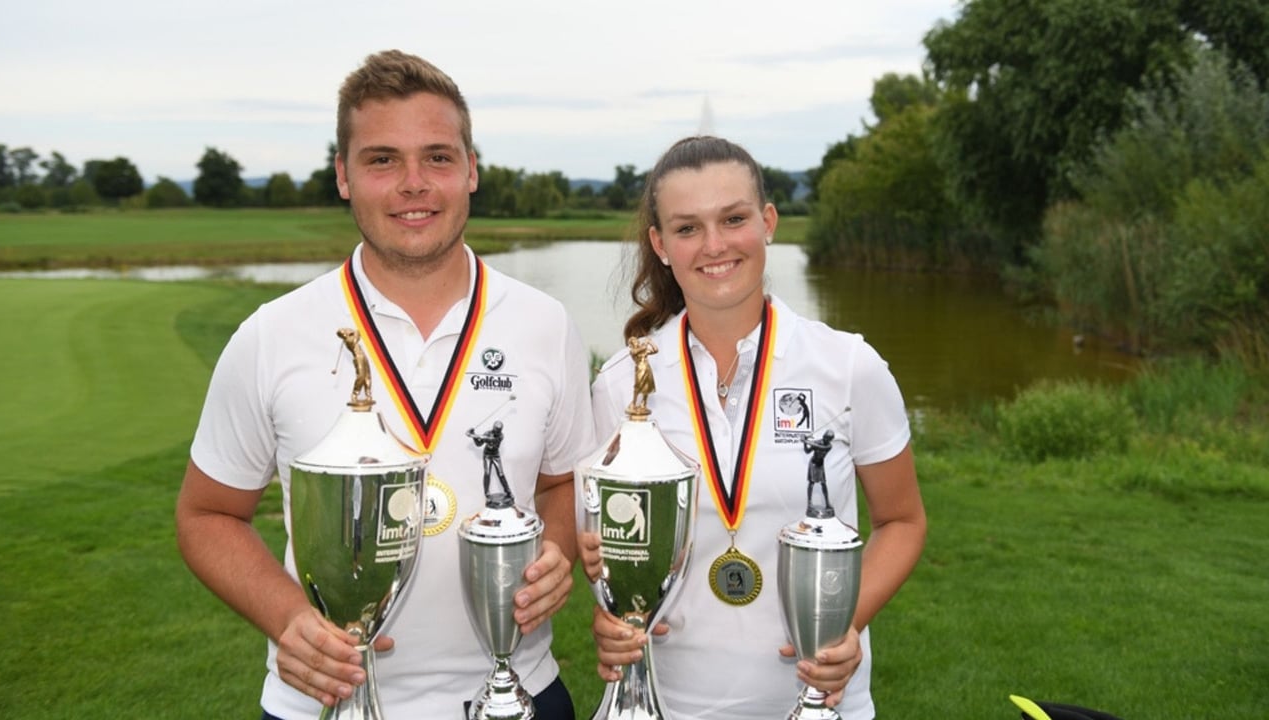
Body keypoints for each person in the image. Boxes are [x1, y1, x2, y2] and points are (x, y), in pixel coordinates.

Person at [175, 50, 595, 720]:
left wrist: (555, 551)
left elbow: (563, 480)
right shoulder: (271, 334)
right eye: (382, 160)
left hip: (517, 693)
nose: (413, 184)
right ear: (343, 176)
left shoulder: (545, 324)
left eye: (437, 157)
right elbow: (207, 514)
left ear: (471, 170)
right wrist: (287, 617)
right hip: (325, 700)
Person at [586, 136, 926, 719]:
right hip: (671, 703)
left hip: (817, 700)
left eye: (733, 219)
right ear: (660, 245)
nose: (714, 245)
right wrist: (611, 614)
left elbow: (902, 520)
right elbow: (604, 547)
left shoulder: (848, 365)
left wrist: (842, 625)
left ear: (768, 222)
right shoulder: (622, 383)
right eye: (688, 228)